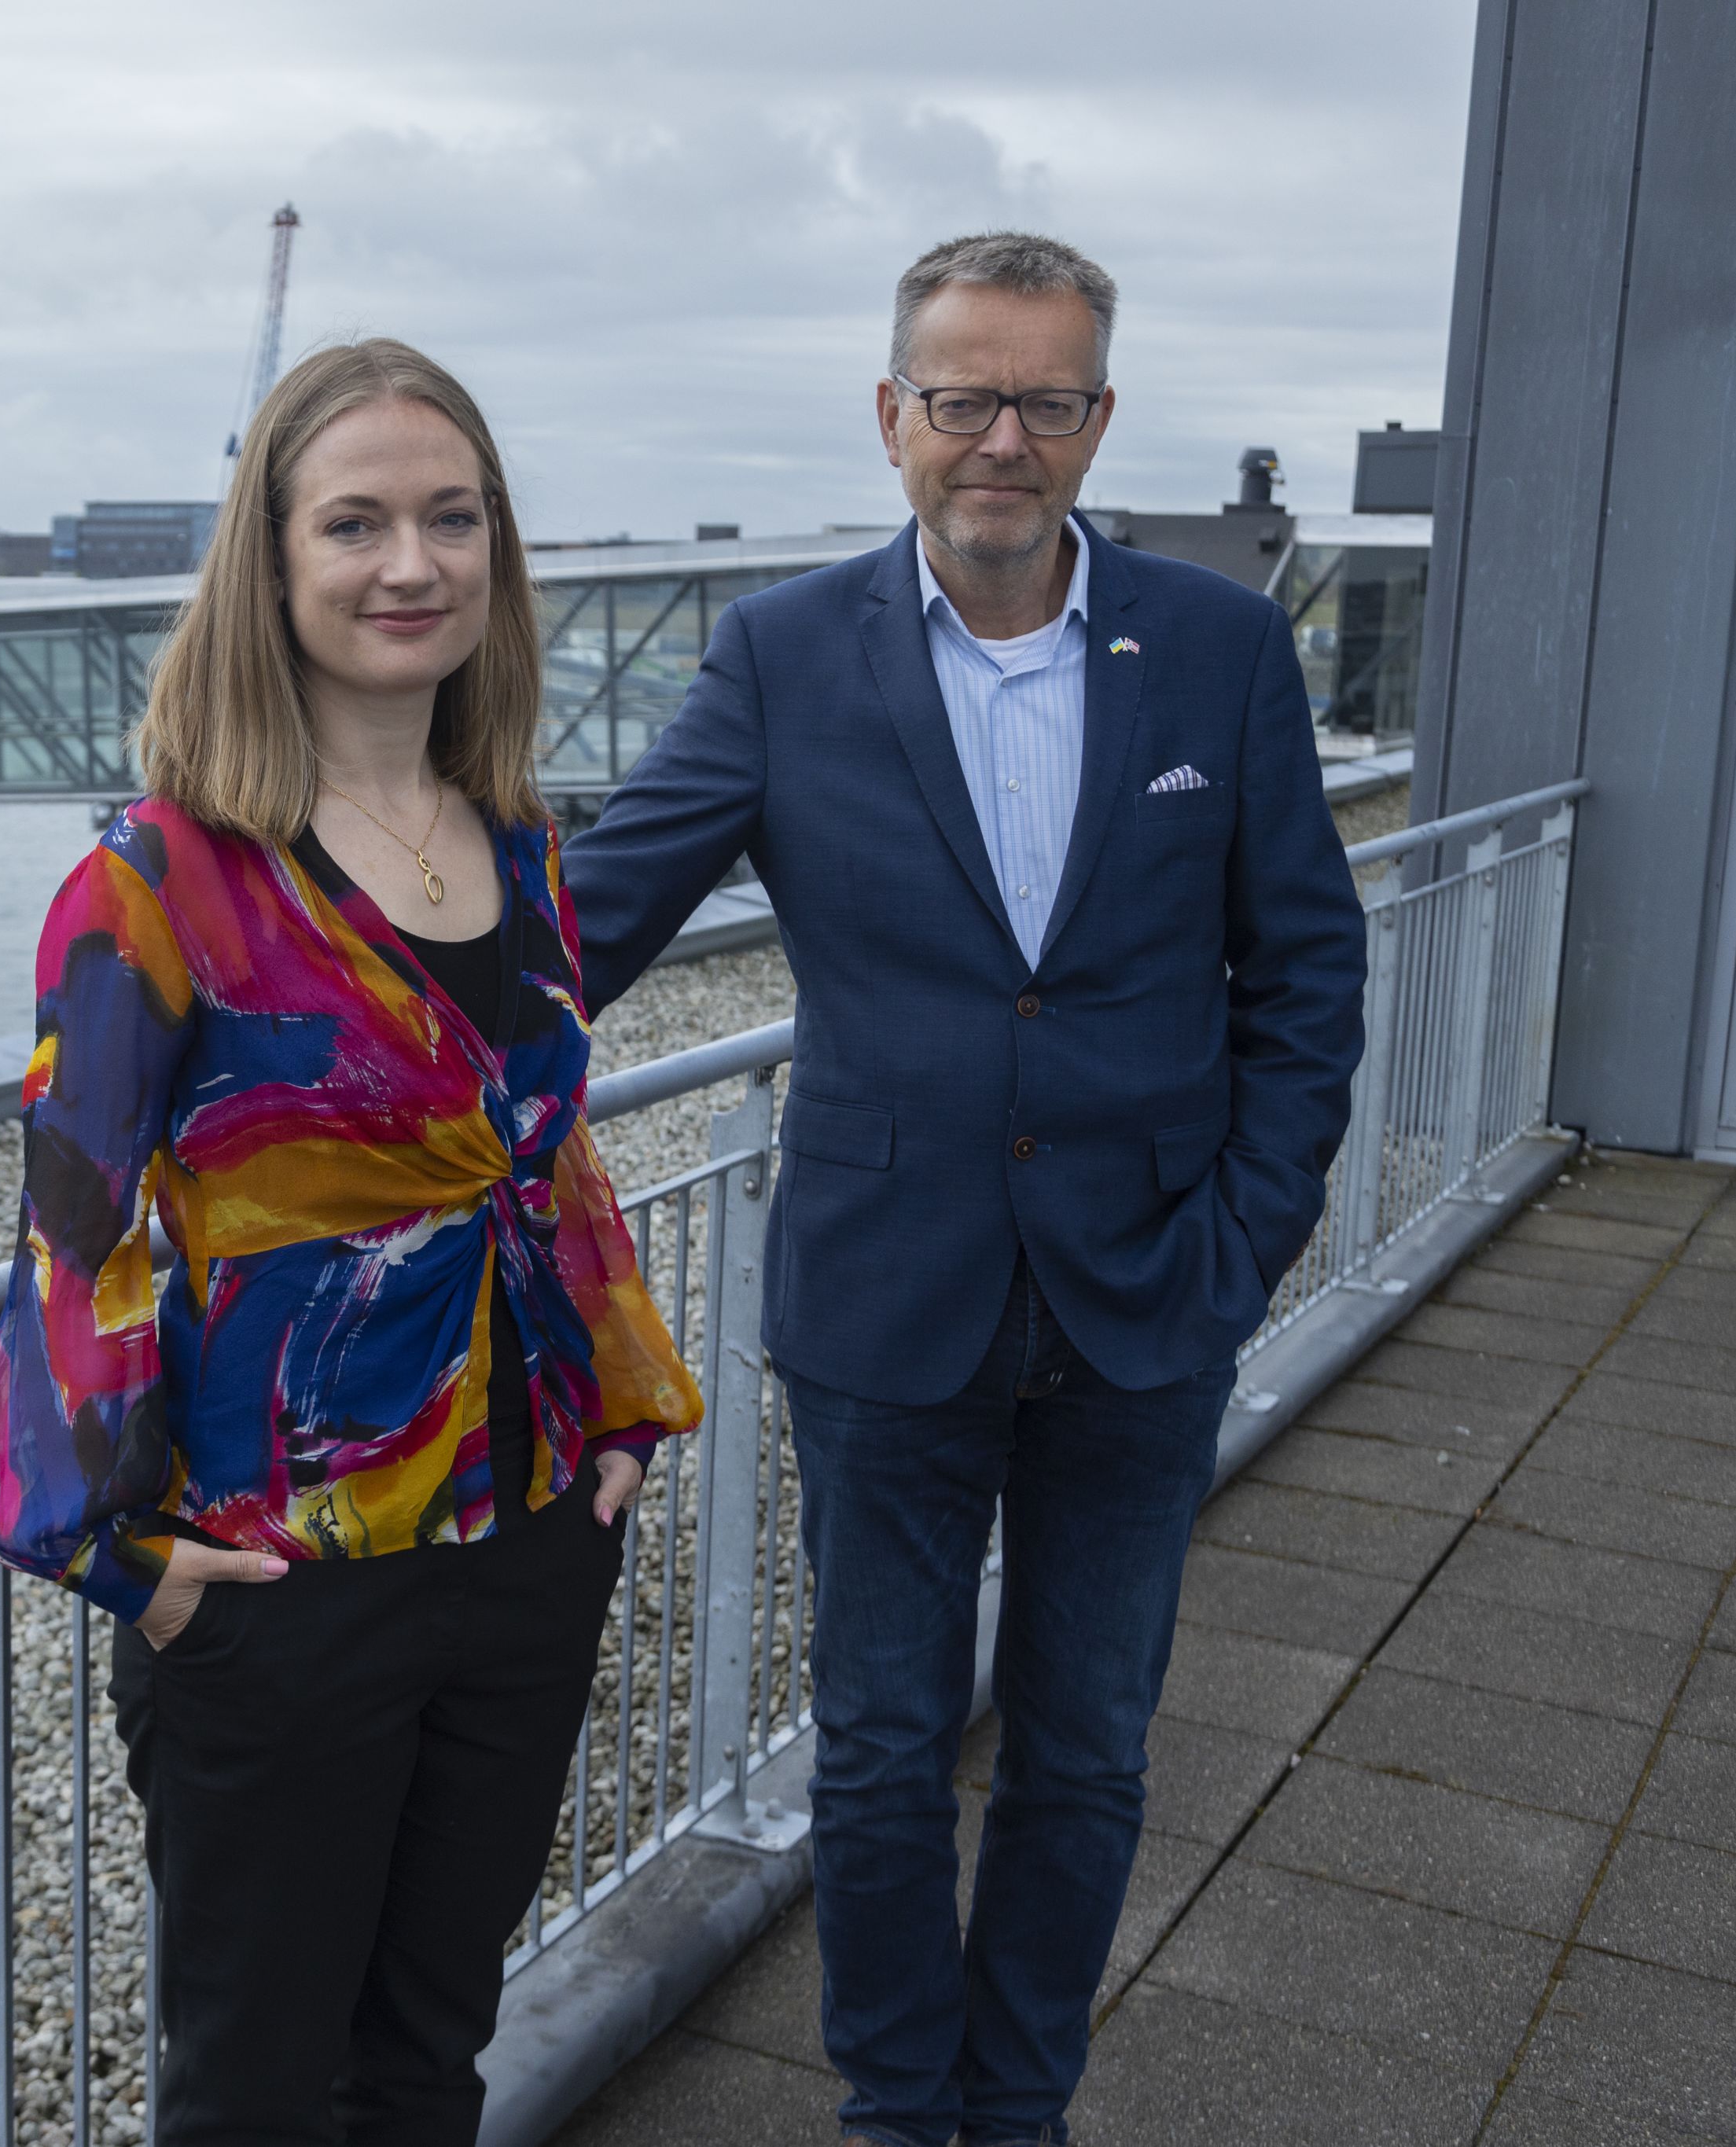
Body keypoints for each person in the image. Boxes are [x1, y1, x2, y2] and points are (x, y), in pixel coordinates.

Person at [563, 233, 1369, 2146]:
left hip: (1143, 1299)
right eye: (961, 397)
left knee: (1084, 1751)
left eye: (1045, 399)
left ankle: (1018, 2109)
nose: (999, 438)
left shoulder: (1224, 649)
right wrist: (278, 970)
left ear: (1098, 417)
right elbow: (569, 937)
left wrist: (1242, 1242)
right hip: (880, 1302)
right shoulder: (776, 655)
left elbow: (1305, 974)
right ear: (889, 417)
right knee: (882, 1756)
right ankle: (893, 2115)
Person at [0, 336, 701, 2145]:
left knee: (425, 2057)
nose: (410, 564)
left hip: (526, 1541)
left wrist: (621, 1407)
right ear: (272, 564)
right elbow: (76, 1222)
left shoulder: (516, 842)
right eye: (356, 522)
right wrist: (98, 1548)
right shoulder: (157, 880)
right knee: (252, 2089)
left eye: (450, 520)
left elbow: (548, 1158)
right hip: (277, 1578)